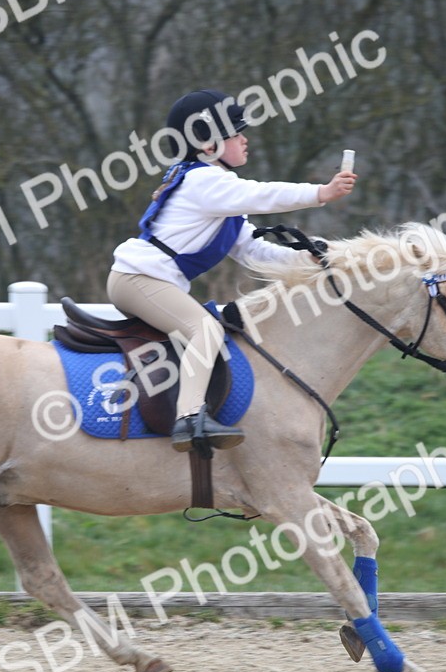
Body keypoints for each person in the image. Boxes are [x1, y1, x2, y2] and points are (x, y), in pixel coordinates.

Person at [108, 89, 356, 453]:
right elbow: (262, 194)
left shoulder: (219, 198)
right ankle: (188, 419)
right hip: (139, 280)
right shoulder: (205, 182)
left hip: (145, 280)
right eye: (235, 133)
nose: (245, 139)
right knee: (204, 329)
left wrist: (314, 260)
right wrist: (320, 193)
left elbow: (255, 250)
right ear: (208, 146)